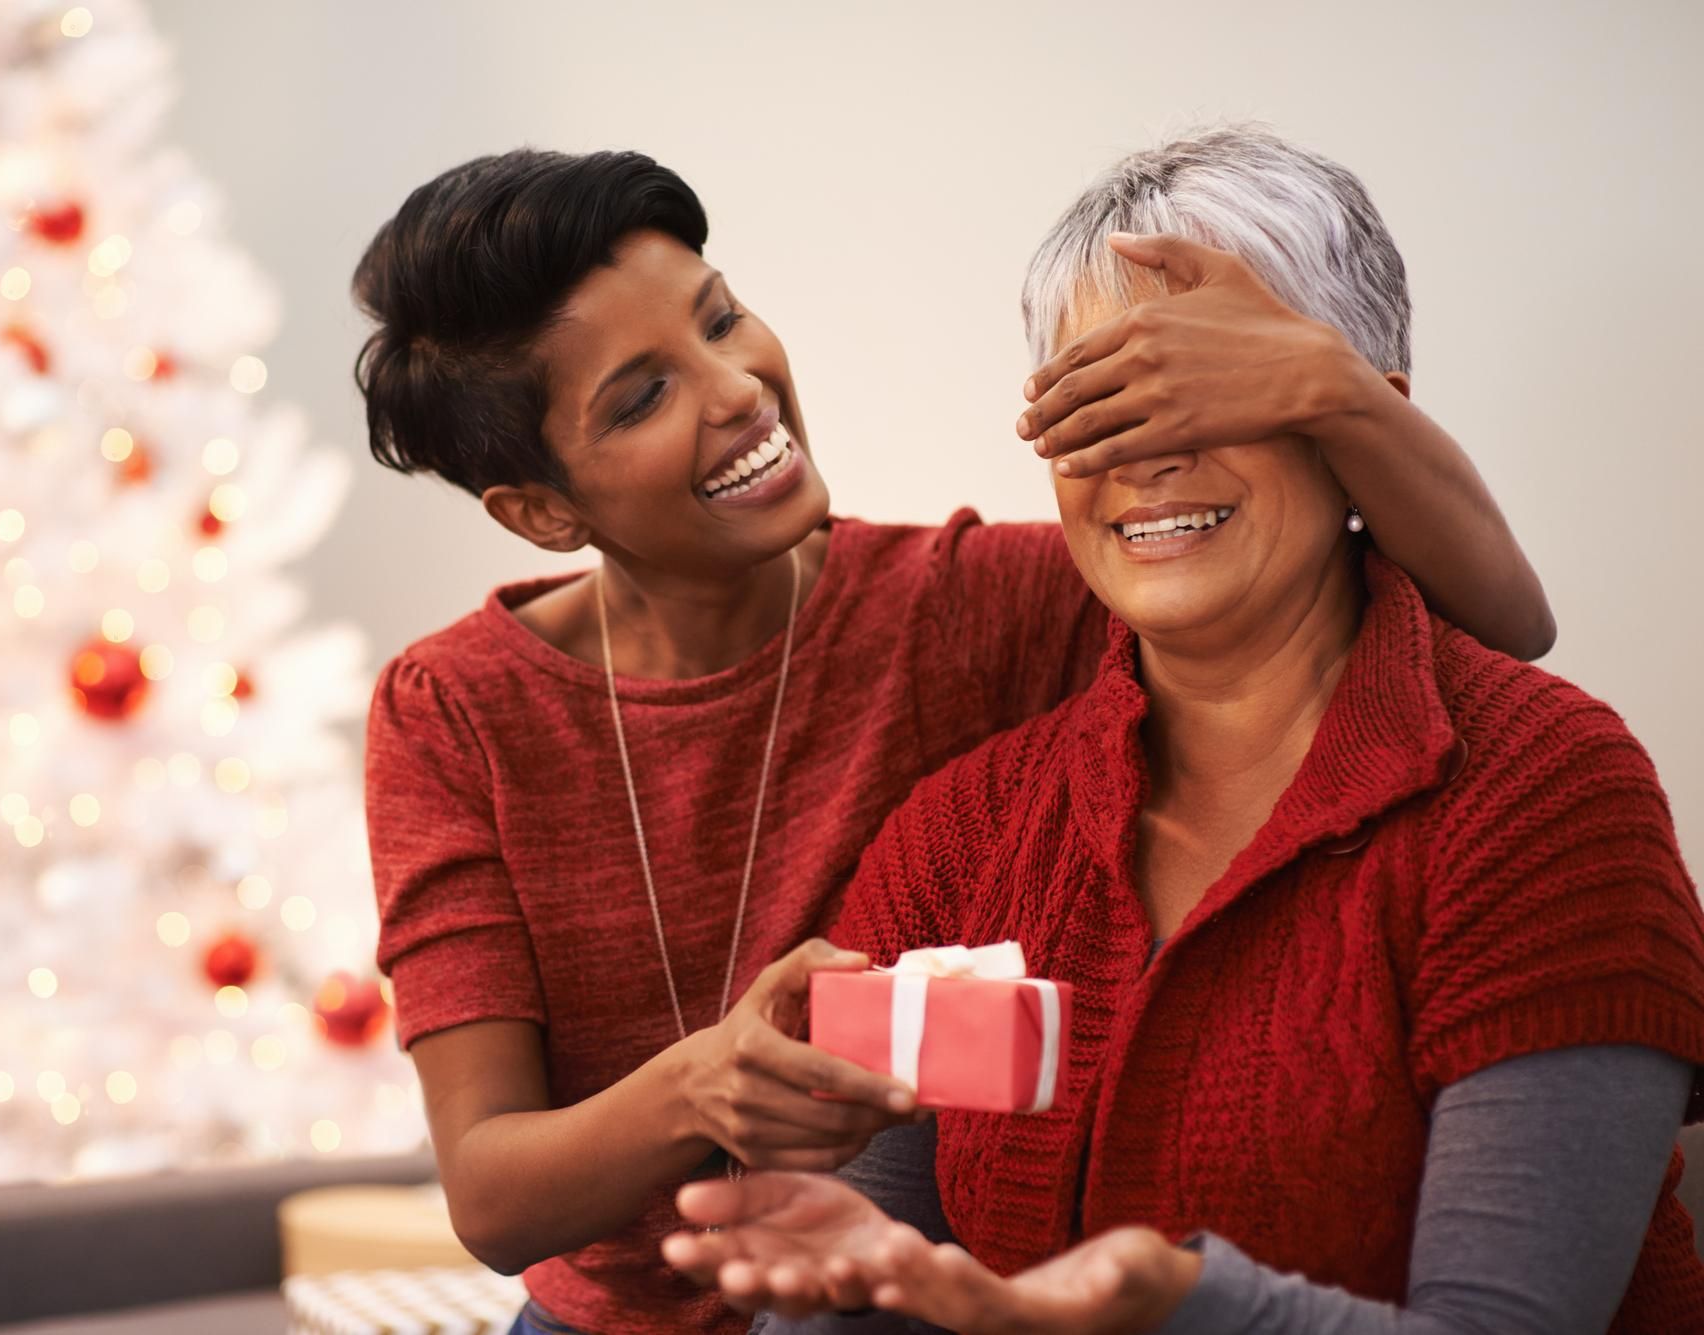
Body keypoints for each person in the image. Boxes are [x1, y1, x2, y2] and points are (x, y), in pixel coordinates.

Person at [355, 142, 1556, 1335]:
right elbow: (492, 1197)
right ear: (542, 510)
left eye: (720, 323)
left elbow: (1485, 626)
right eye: (641, 396)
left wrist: (1328, 387)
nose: (734, 390)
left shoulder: (963, 607)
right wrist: (705, 1079)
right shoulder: (452, 712)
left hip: (886, 1295)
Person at [661, 127, 1704, 1335]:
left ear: (1365, 424)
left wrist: (1178, 1305)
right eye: (1095, 405)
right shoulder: (962, 833)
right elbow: (874, 1272)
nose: (1146, 457)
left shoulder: (1540, 797)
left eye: (1203, 392)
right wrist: (849, 1304)